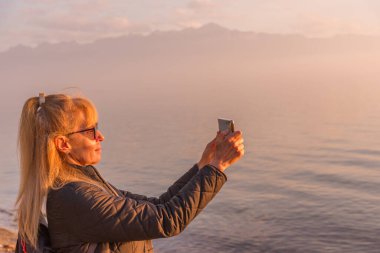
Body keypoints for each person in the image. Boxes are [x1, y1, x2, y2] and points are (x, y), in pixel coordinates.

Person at [15, 93, 245, 253]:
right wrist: (218, 166)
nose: (100, 136)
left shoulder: (83, 182)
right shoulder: (74, 196)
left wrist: (203, 165)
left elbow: (160, 205)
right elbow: (167, 220)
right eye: (91, 131)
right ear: (63, 144)